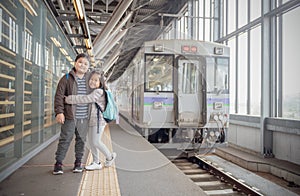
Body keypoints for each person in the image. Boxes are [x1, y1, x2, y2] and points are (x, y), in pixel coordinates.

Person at [65, 70, 116, 170]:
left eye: (95, 80)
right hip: (93, 121)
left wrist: (68, 99)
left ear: (100, 82)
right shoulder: (94, 91)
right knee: (92, 142)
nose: (92, 81)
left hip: (98, 121)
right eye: (91, 79)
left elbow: (85, 99)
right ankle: (96, 162)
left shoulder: (99, 92)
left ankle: (110, 157)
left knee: (96, 141)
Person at [53, 53, 91, 175]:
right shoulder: (67, 78)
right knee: (65, 140)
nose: (82, 65)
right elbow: (59, 96)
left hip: (84, 118)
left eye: (85, 64)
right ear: (75, 63)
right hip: (70, 117)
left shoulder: (90, 80)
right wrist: (59, 112)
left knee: (81, 140)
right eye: (80, 62)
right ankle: (58, 163)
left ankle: (78, 163)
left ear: (88, 67)